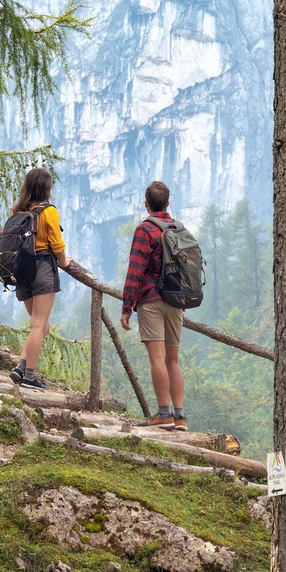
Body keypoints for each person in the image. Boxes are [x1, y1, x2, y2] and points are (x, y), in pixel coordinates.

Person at [120, 181, 188, 431]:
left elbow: (135, 270)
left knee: (157, 359)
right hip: (177, 301)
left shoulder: (145, 229)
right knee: (173, 360)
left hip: (151, 300)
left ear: (146, 203)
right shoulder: (179, 228)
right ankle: (180, 416)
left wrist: (127, 306)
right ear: (168, 203)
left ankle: (163, 414)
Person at [7, 168, 71, 390]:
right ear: (47, 188)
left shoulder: (18, 212)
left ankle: (21, 368)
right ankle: (29, 377)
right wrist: (65, 261)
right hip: (42, 268)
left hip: (21, 271)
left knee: (42, 326)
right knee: (38, 325)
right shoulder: (48, 212)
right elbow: (57, 244)